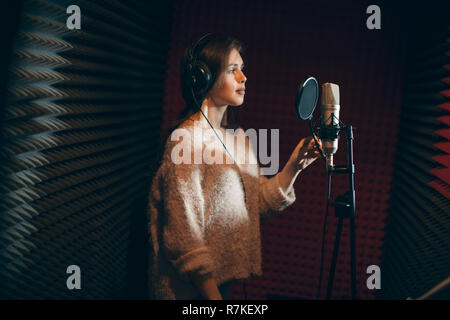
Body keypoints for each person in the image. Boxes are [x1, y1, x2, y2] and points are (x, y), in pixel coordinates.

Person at [147, 34, 321, 300]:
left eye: (242, 68)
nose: (243, 77)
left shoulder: (237, 137)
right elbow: (183, 236)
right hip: (189, 292)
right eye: (232, 70)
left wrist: (294, 166)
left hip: (220, 285)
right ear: (204, 78)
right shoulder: (185, 141)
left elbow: (258, 202)